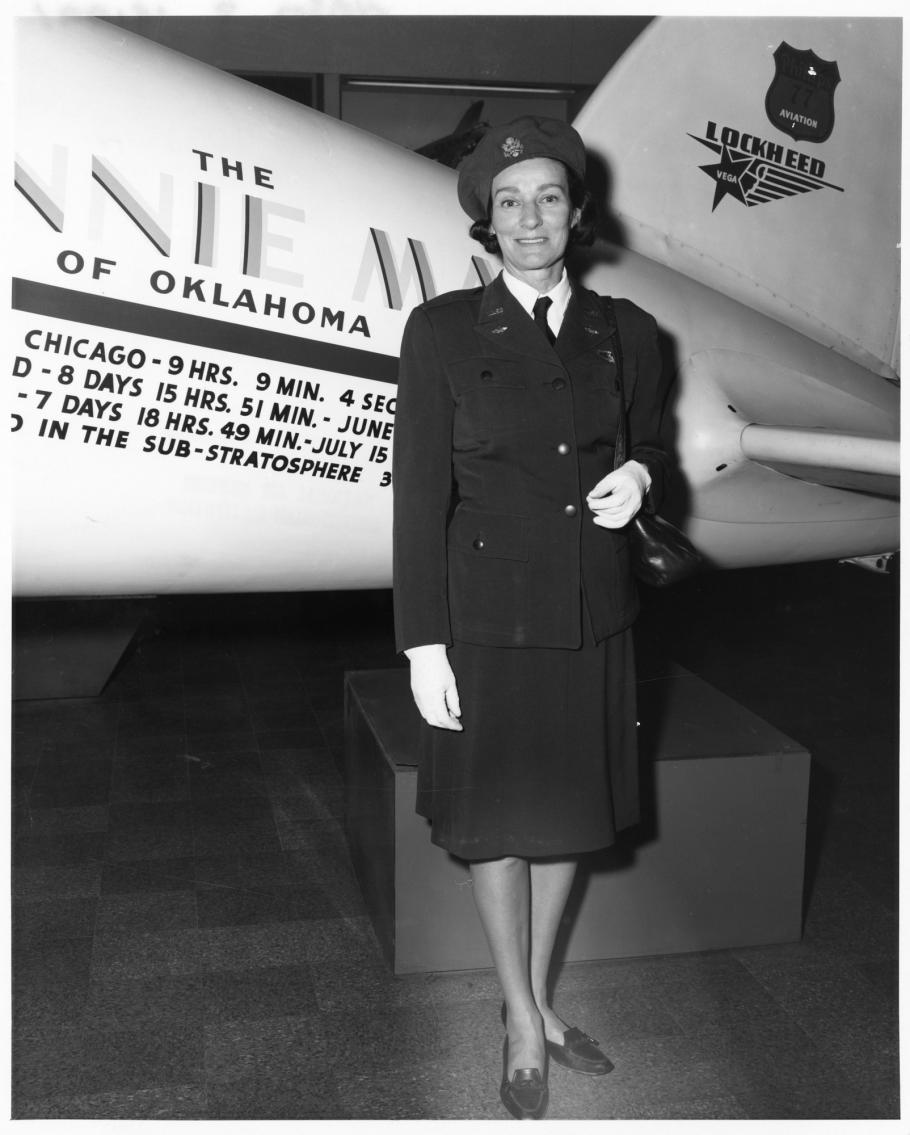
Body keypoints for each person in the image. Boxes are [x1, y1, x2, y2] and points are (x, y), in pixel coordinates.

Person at [392, 116, 671, 1120]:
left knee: (565, 825)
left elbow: (655, 445)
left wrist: (641, 472)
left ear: (578, 215)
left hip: (593, 610)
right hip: (485, 616)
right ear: (485, 222)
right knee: (496, 830)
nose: (528, 217)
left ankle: (537, 997)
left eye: (548, 197)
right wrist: (421, 638)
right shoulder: (440, 332)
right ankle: (521, 1016)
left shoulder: (626, 331)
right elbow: (418, 493)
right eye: (507, 202)